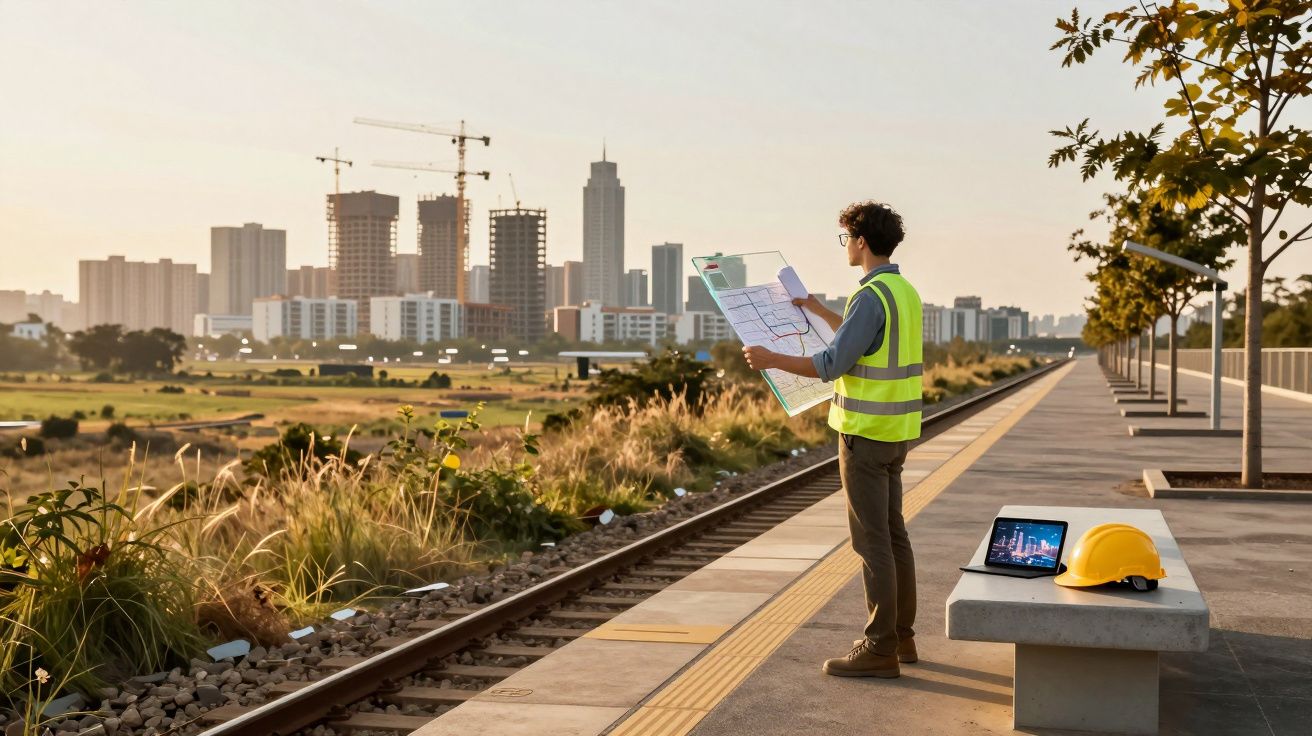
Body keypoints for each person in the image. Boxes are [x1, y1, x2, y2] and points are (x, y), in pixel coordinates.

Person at [742, 200, 922, 679]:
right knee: (894, 535)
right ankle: (902, 639)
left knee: (872, 541)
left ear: (861, 241)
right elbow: (867, 344)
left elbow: (831, 365)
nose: (846, 246)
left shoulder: (869, 296)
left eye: (847, 238)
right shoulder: (902, 292)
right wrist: (820, 310)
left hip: (863, 433)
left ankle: (879, 647)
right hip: (896, 431)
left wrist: (770, 357)